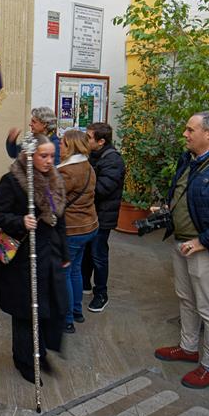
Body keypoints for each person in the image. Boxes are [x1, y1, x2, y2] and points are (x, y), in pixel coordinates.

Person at [0, 135, 69, 384]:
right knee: (25, 311)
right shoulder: (13, 181)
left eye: (51, 156)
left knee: (47, 306)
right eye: (43, 156)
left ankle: (41, 351)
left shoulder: (53, 180)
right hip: (23, 258)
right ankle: (24, 359)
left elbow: (60, 220)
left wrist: (65, 253)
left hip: (49, 255)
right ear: (29, 156)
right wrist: (20, 221)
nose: (49, 161)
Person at [154, 111, 209, 390]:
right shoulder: (189, 160)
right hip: (181, 242)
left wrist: (203, 241)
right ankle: (189, 348)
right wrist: (167, 210)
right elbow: (182, 194)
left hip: (203, 248)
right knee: (186, 299)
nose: (185, 134)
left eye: (191, 130)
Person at [81, 122, 125, 312]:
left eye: (88, 137)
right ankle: (84, 284)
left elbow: (102, 189)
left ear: (100, 141)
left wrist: (79, 188)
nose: (85, 140)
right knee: (87, 252)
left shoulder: (113, 160)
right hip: (91, 214)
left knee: (98, 254)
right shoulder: (92, 155)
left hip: (103, 216)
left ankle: (101, 294)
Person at [57, 130, 98, 333]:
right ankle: (77, 311)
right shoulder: (87, 166)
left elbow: (52, 198)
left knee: (64, 273)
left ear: (71, 146)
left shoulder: (68, 171)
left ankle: (67, 319)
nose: (59, 146)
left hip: (72, 230)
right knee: (75, 270)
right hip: (88, 227)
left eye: (62, 143)